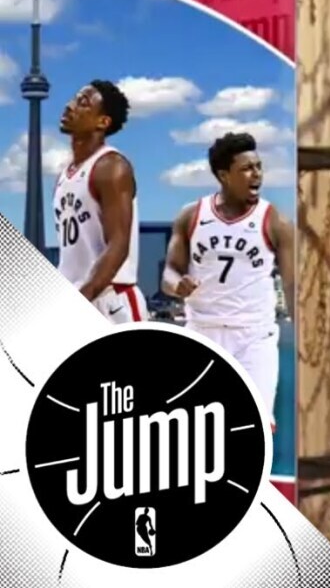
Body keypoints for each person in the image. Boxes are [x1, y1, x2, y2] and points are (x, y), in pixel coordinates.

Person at [160, 132, 295, 433]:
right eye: (246, 168)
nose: (256, 174)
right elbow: (169, 272)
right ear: (224, 175)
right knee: (196, 429)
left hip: (253, 336)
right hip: (202, 330)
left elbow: (292, 285)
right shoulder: (191, 216)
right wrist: (177, 284)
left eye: (258, 167)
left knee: (253, 428)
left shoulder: (276, 221)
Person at [53, 80, 146, 323]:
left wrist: (83, 297)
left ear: (103, 122)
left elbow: (118, 245)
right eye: (74, 99)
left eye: (82, 103)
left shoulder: (111, 166)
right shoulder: (64, 175)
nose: (69, 106)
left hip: (110, 298)